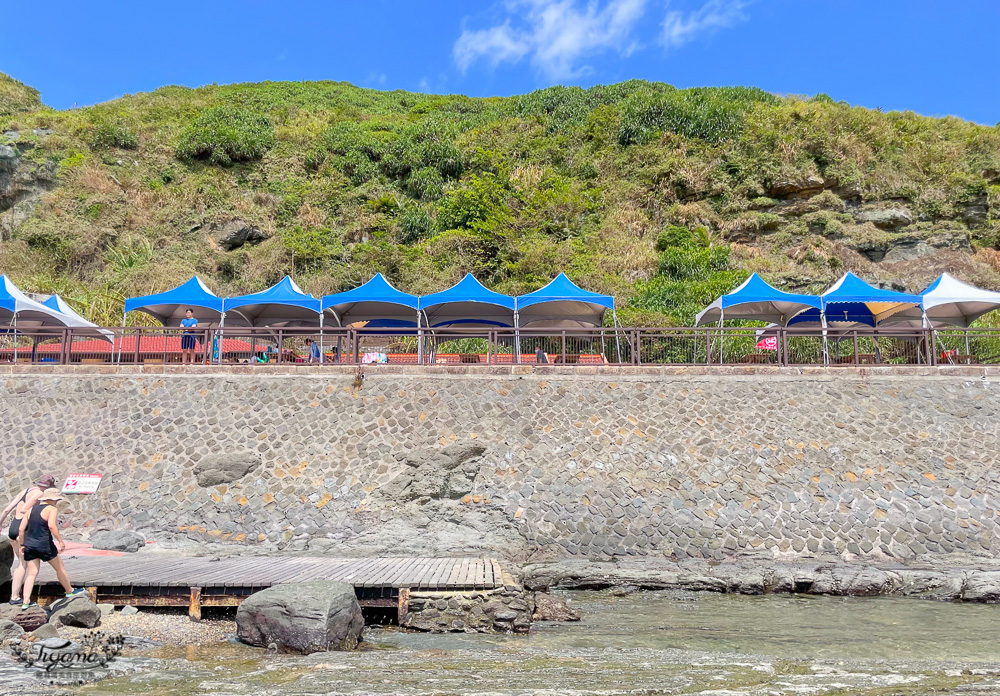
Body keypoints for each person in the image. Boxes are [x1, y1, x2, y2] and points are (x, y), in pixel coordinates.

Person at [18, 488, 86, 609]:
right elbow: (51, 526)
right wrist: (60, 541)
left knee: (31, 574)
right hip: (45, 545)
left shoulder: (30, 510)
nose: (57, 502)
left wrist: (23, 545)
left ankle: (26, 602)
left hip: (30, 545)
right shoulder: (51, 509)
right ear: (52, 499)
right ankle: (69, 590)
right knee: (60, 568)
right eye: (57, 500)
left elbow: (21, 529)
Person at [1, 474, 56, 606]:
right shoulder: (39, 494)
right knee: (24, 565)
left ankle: (15, 596)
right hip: (22, 529)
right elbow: (26, 510)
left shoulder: (25, 491)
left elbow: (7, 509)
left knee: (21, 564)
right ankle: (15, 597)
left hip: (13, 527)